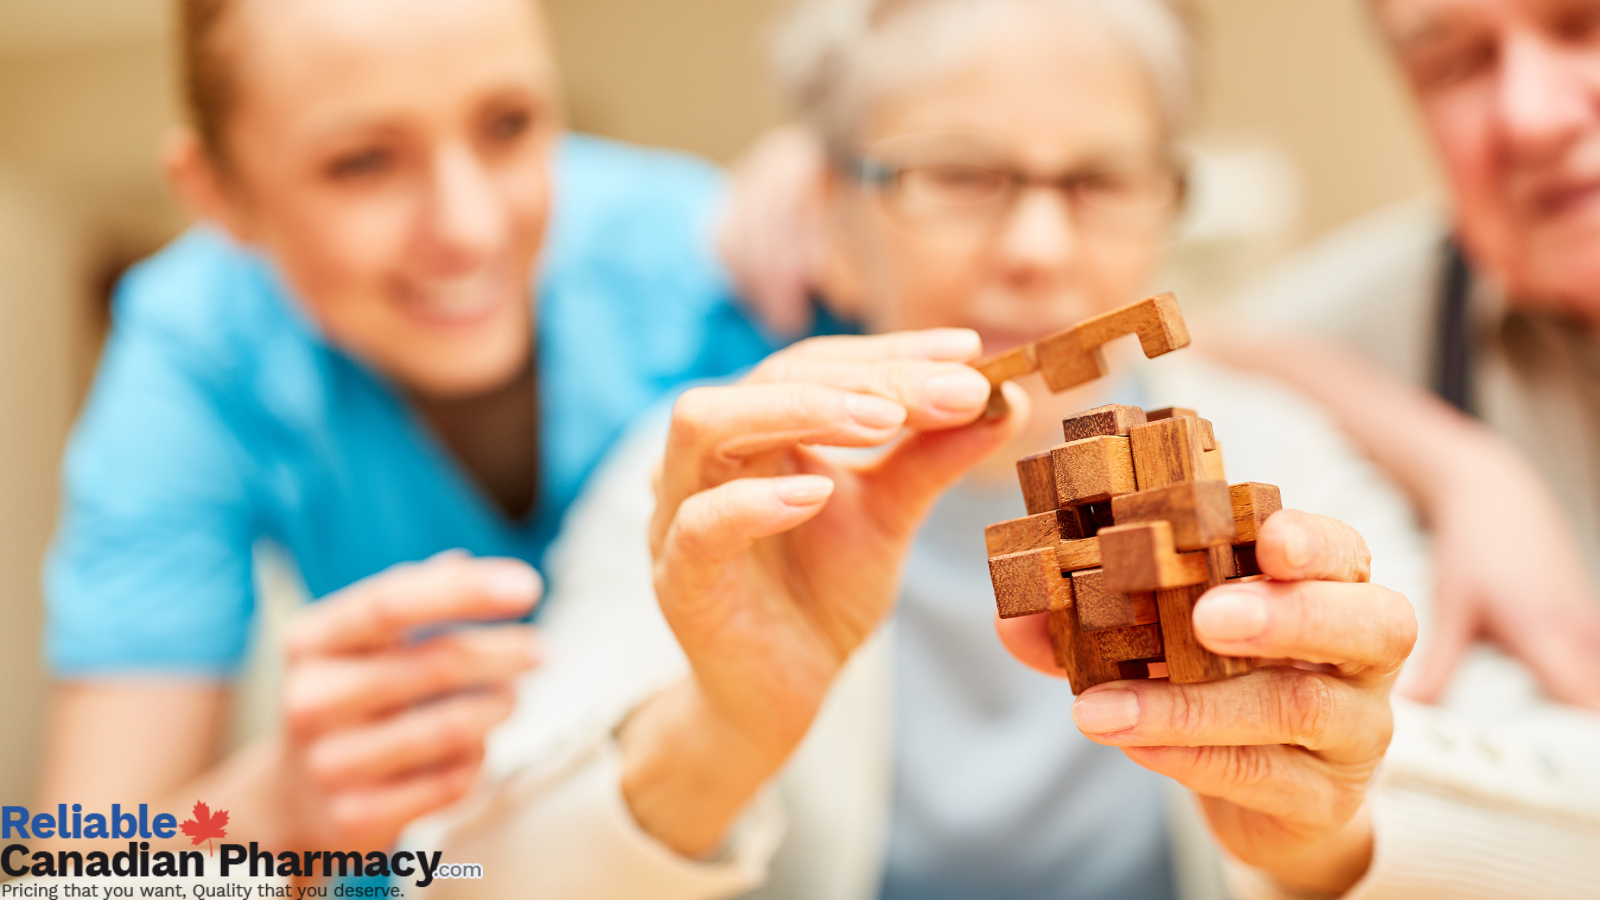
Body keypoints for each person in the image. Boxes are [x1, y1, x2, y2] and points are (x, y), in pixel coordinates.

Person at [406, 1, 1600, 898]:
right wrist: (713, 736)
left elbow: (1567, 816)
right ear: (828, 215)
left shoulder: (1279, 462)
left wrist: (1337, 827)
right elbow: (446, 870)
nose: (1036, 249)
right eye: (958, 176)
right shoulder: (713, 482)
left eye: (1097, 180)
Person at [37, 0, 789, 854]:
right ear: (218, 192)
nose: (467, 229)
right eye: (363, 163)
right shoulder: (197, 350)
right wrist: (268, 816)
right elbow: (81, 864)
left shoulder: (720, 253)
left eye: (508, 125)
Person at [1207, 0, 1600, 712]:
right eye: (1450, 67)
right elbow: (1168, 345)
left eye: (1586, 24)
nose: (1532, 117)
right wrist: (1458, 464)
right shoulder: (1397, 309)